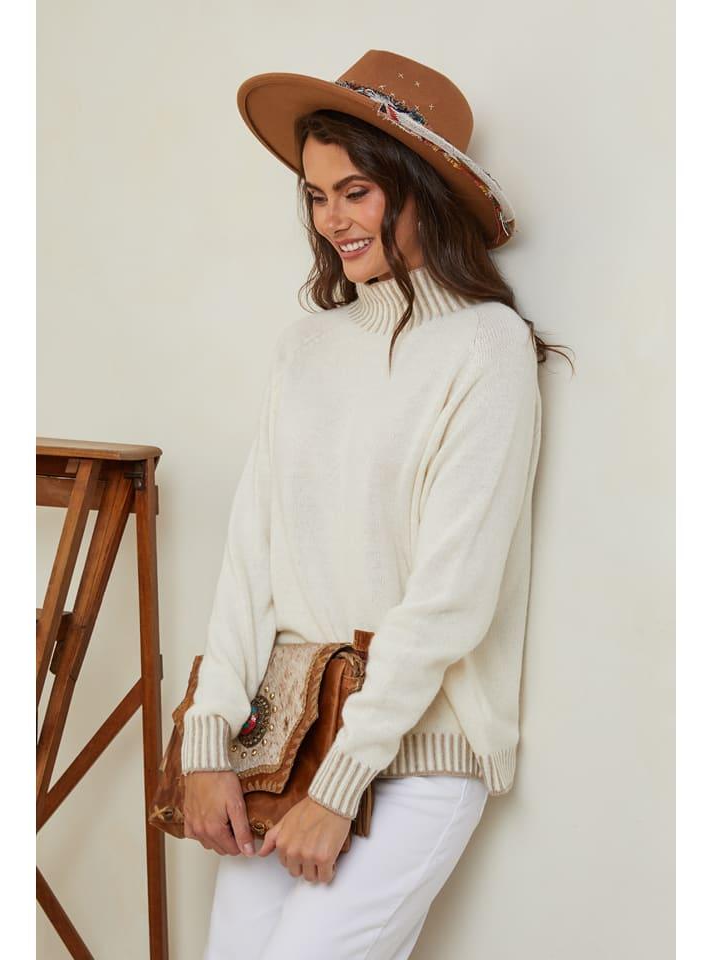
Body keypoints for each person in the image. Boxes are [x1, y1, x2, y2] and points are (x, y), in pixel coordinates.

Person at [179, 50, 566, 960]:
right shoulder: (304, 349)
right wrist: (207, 742)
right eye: (318, 196)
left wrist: (341, 784)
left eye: (356, 191)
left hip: (414, 756)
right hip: (283, 744)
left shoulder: (486, 347)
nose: (333, 220)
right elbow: (251, 557)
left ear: (420, 190)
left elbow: (451, 596)